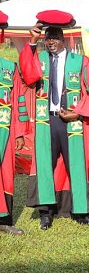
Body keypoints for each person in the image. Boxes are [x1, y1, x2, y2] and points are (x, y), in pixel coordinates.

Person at [19, 17, 89, 229]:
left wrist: (79, 113)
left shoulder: (79, 61)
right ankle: (46, 212)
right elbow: (28, 75)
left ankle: (81, 211)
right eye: (48, 38)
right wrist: (32, 41)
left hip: (71, 120)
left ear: (63, 39)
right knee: (45, 165)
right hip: (46, 119)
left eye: (55, 38)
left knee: (76, 164)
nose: (51, 42)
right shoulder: (39, 59)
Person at [0, 33, 28, 235]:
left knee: (5, 174)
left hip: (5, 129)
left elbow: (18, 100)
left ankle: (3, 220)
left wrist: (19, 133)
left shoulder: (10, 67)